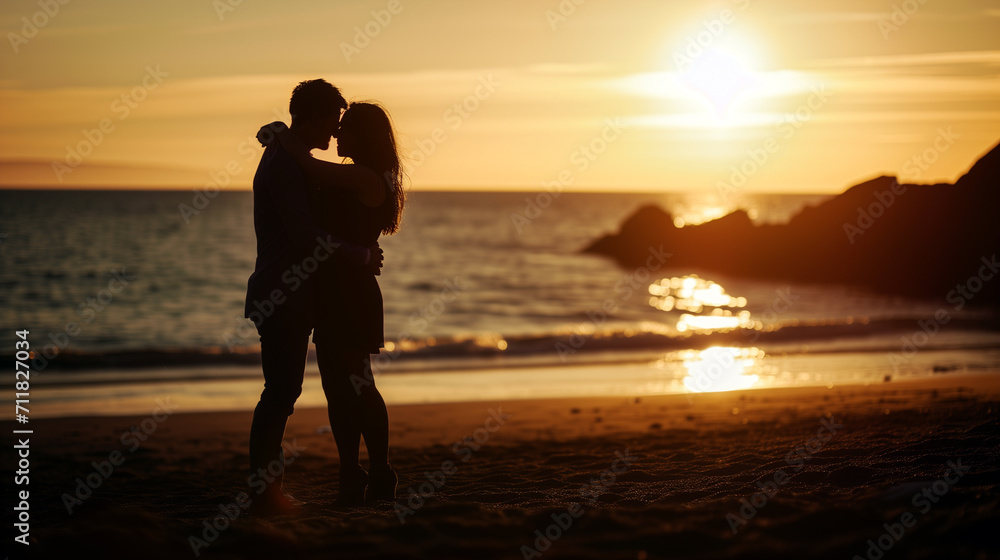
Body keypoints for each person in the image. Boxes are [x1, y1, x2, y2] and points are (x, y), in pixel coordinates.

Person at [245, 79, 383, 515]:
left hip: (299, 296)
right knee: (281, 392)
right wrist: (359, 254)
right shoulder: (285, 164)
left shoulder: (294, 158)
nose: (335, 131)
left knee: (287, 391)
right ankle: (266, 492)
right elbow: (305, 238)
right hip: (281, 295)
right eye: (332, 120)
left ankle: (271, 490)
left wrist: (276, 133)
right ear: (311, 116)